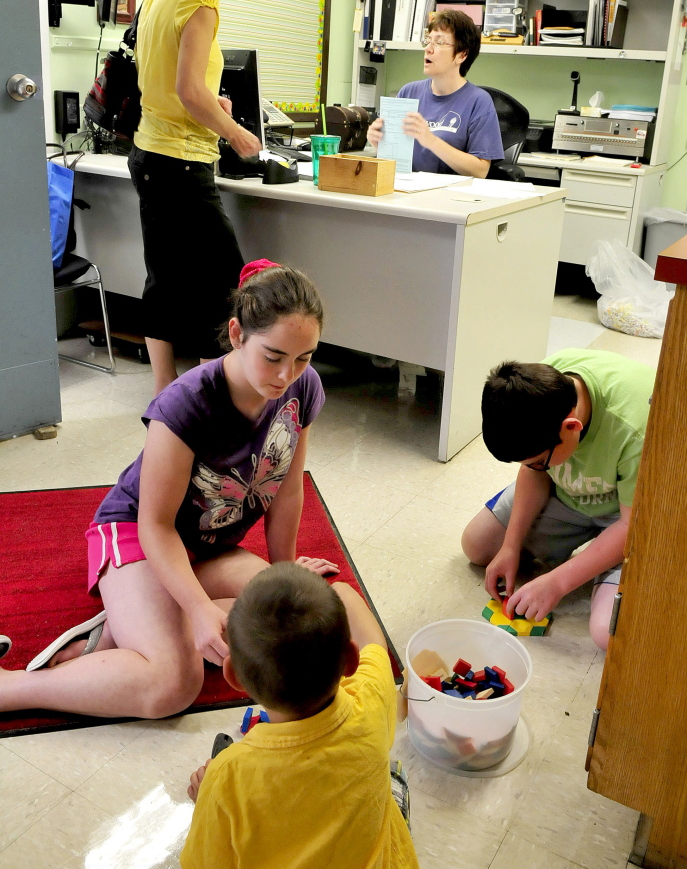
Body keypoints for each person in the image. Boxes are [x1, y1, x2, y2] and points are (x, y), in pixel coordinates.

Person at [0, 262, 339, 719]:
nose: (287, 375)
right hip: (136, 536)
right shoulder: (186, 403)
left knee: (280, 620)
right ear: (237, 334)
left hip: (205, 546)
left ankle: (130, 624)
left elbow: (288, 491)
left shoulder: (305, 388)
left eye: (304, 357)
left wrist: (285, 576)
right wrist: (197, 608)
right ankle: (15, 686)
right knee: (174, 684)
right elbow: (154, 524)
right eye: (274, 356)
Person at [181, 563, 419, 869]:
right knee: (390, 780)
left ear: (233, 676)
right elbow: (372, 636)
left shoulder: (227, 776)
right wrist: (336, 589)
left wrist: (207, 798)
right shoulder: (370, 698)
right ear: (350, 659)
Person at [132, 0, 262, 393]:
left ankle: (165, 393)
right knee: (226, 283)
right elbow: (188, 90)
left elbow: (167, 81)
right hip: (182, 163)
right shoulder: (202, 0)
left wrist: (214, 105)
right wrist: (233, 131)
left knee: (163, 278)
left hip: (148, 154)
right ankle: (214, 392)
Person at [461, 349, 654, 650]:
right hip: (569, 496)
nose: (535, 467)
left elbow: (632, 525)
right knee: (477, 545)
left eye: (539, 461)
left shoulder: (637, 431)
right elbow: (534, 473)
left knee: (607, 632)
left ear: (571, 427)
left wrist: (559, 582)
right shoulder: (540, 386)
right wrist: (510, 546)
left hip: (629, 515)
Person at [366, 9, 504, 178]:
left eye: (439, 42)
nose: (428, 49)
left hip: (452, 198)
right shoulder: (408, 92)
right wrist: (380, 144)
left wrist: (430, 141)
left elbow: (480, 171)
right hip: (407, 191)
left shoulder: (479, 101)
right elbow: (396, 160)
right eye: (428, 40)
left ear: (462, 54)